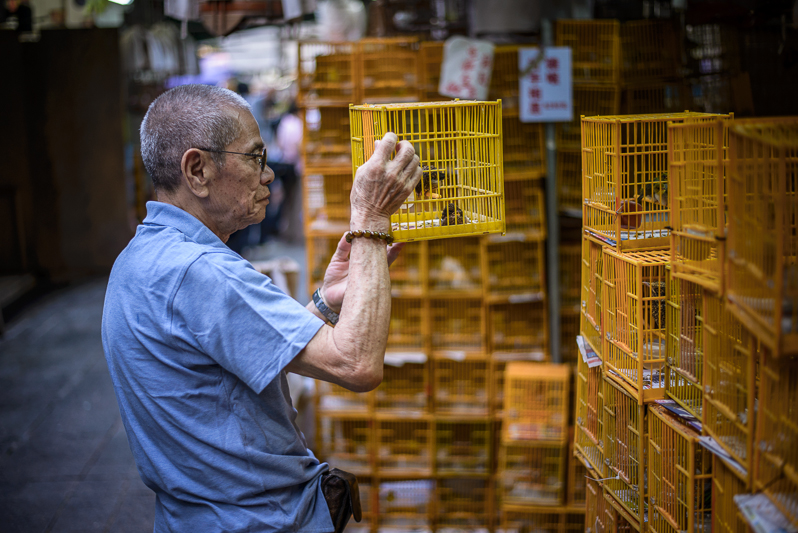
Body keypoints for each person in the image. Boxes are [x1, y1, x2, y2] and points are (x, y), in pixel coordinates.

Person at [101, 84, 421, 532]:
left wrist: (325, 302)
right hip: (259, 520)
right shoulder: (200, 271)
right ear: (197, 170)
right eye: (255, 158)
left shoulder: (141, 257)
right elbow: (357, 364)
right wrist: (370, 217)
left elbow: (241, 355)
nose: (268, 174)